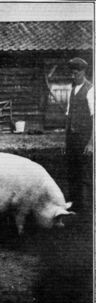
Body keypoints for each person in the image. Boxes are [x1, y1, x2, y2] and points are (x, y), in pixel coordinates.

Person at [65, 57, 94, 215]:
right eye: (72, 73)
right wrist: (66, 140)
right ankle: (75, 204)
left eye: (76, 73)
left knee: (85, 173)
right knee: (72, 171)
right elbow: (69, 115)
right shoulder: (72, 89)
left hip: (84, 138)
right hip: (72, 138)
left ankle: (87, 208)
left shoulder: (90, 90)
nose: (73, 76)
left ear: (83, 72)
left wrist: (91, 143)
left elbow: (94, 118)